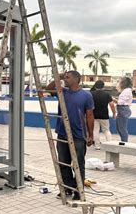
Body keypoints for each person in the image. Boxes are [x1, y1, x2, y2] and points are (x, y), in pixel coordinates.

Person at [47, 71, 94, 200]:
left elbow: (90, 116)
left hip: (78, 135)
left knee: (78, 164)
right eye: (65, 77)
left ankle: (78, 190)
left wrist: (90, 135)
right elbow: (49, 88)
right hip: (62, 133)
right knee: (63, 162)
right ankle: (67, 188)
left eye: (68, 77)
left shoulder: (86, 95)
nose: (65, 79)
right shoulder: (63, 92)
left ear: (76, 79)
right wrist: (60, 76)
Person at [90, 80, 116, 150]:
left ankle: (97, 146)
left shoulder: (91, 94)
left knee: (95, 130)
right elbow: (112, 104)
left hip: (94, 115)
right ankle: (110, 145)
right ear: (103, 86)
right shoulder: (106, 94)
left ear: (95, 86)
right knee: (106, 130)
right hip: (104, 116)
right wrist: (114, 113)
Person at [114, 77, 133, 142]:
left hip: (123, 109)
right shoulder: (126, 90)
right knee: (119, 128)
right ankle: (123, 141)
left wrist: (113, 99)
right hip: (122, 110)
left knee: (122, 128)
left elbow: (121, 102)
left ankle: (124, 142)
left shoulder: (127, 91)